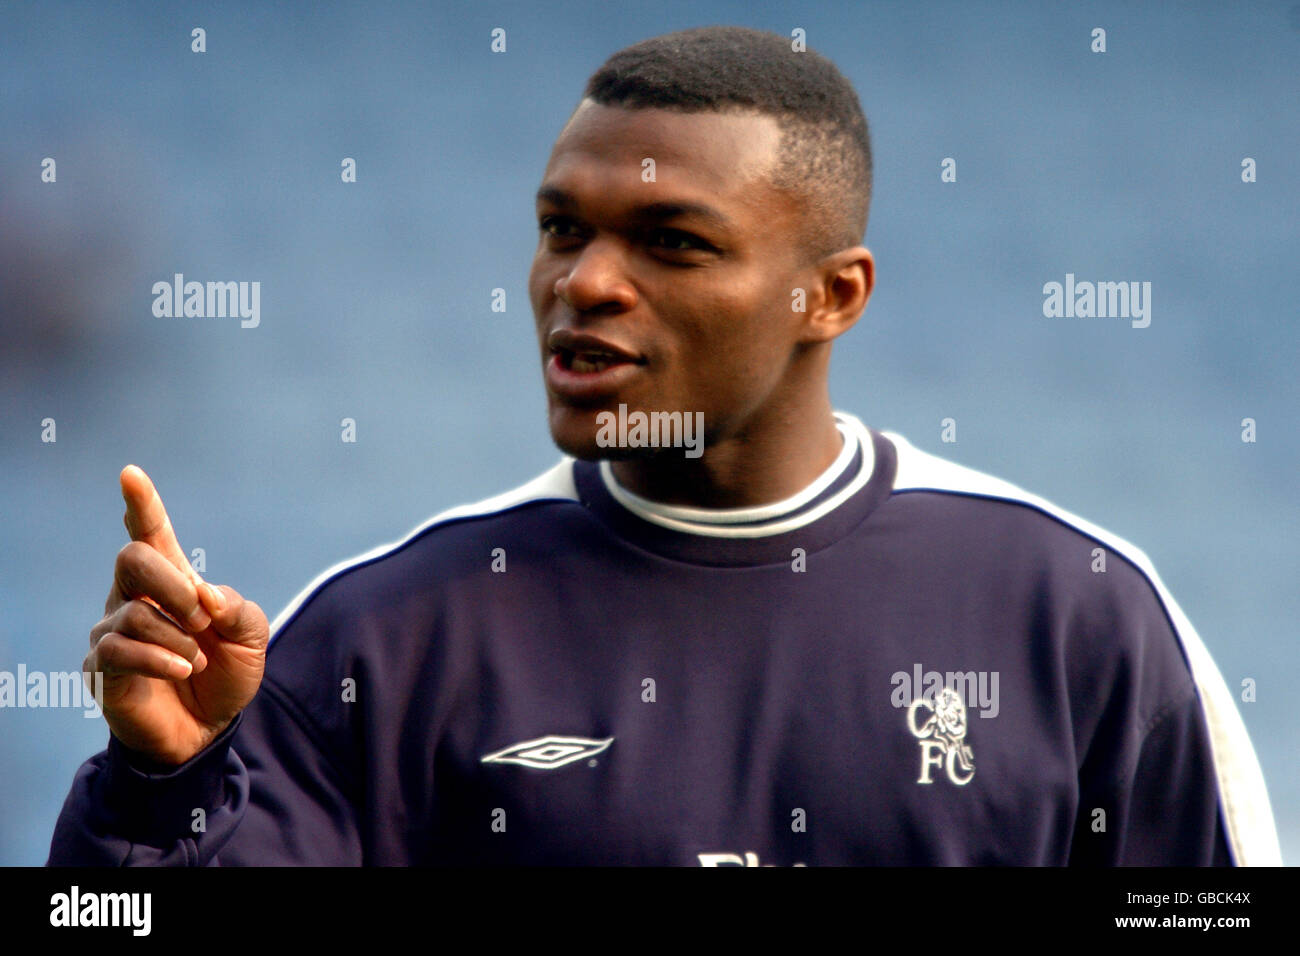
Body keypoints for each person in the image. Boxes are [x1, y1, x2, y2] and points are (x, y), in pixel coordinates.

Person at [48, 25, 1280, 866]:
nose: (582, 281)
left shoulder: (1077, 616)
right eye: (559, 226)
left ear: (831, 295)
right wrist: (159, 785)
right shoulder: (384, 636)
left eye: (671, 241)